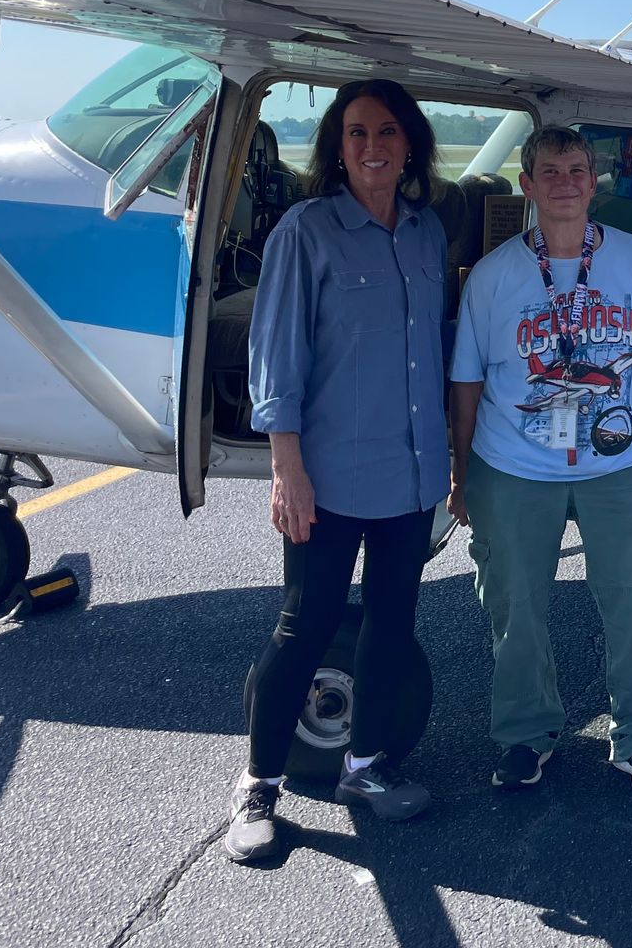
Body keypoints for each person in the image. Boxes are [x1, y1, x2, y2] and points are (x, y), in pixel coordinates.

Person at [226, 79, 449, 863]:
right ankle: (258, 784)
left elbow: (435, 355)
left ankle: (364, 767)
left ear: (411, 144)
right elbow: (276, 356)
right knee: (305, 624)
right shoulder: (306, 231)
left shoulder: (426, 235)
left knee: (391, 630)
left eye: (388, 132)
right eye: (356, 133)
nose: (374, 146)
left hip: (411, 475)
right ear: (337, 147)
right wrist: (287, 468)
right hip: (329, 475)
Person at [447, 126, 632, 792]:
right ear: (526, 184)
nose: (564, 183)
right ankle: (526, 735)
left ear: (594, 182)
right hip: (514, 466)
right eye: (548, 171)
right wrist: (462, 475)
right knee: (516, 607)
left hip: (618, 463)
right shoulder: (494, 277)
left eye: (577, 170)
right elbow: (467, 382)